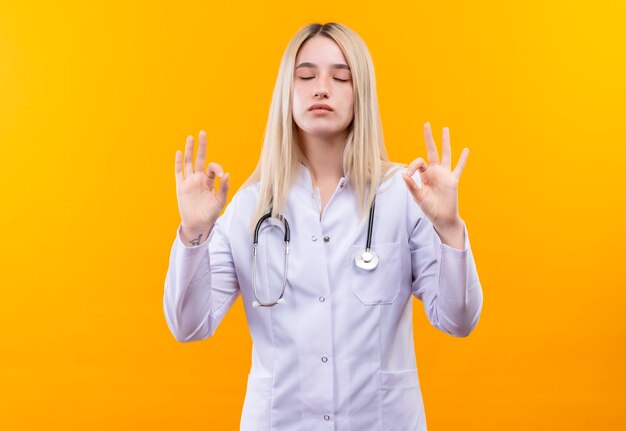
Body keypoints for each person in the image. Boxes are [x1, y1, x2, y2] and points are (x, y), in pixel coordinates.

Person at [163, 22, 483, 431]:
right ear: (287, 92)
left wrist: (449, 227)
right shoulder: (249, 208)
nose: (321, 88)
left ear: (360, 93)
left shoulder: (404, 196)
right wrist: (193, 233)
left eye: (341, 76)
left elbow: (459, 320)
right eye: (307, 75)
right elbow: (188, 325)